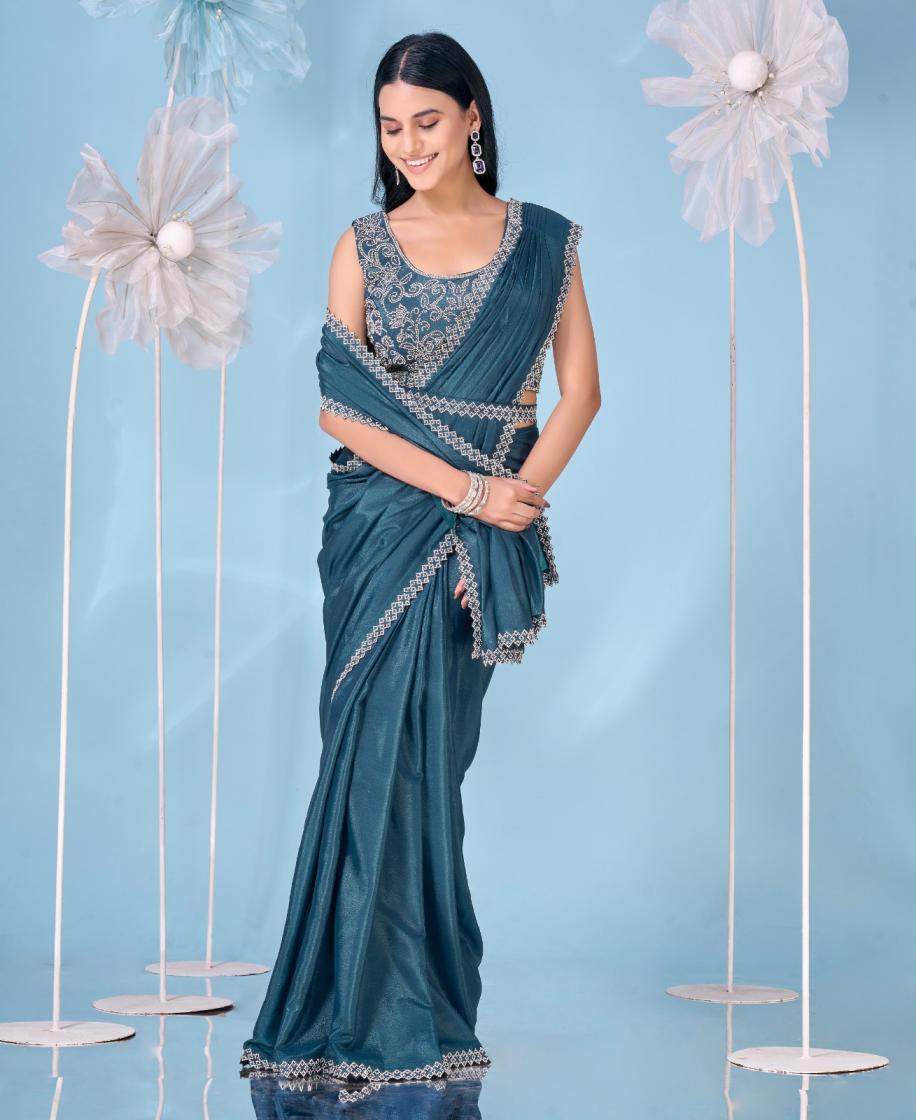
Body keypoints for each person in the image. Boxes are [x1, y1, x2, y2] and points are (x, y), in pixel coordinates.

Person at [239, 30, 600, 1098]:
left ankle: (423, 1004)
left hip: (478, 542)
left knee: (431, 767)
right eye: (391, 128)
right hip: (379, 529)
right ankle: (353, 1019)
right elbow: (339, 405)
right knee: (363, 762)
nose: (409, 145)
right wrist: (470, 492)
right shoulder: (363, 243)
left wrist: (509, 505)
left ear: (472, 116)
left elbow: (580, 393)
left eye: (428, 121)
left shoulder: (545, 243)